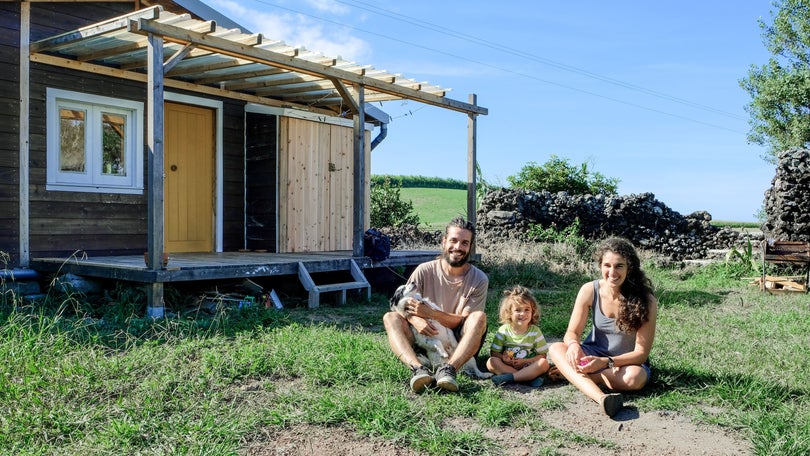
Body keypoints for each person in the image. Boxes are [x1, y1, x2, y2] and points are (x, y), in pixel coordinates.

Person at [547, 237, 658, 418]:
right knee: (556, 348)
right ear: (600, 266)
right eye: (607, 265)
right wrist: (574, 345)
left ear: (630, 267)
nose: (612, 272)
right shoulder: (589, 290)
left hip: (625, 363)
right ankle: (602, 398)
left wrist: (606, 363)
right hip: (592, 353)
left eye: (619, 266)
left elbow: (641, 354)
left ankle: (572, 375)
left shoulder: (647, 301)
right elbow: (572, 333)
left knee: (634, 378)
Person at [383, 217, 489, 393]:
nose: (458, 247)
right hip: (423, 337)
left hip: (458, 341)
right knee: (390, 317)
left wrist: (431, 313)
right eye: (453, 240)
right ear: (444, 241)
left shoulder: (479, 279)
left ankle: (449, 370)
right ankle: (417, 369)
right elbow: (401, 305)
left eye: (464, 243)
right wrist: (414, 319)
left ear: (470, 247)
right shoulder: (424, 270)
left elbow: (462, 322)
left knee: (479, 317)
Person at [487, 285, 550, 387]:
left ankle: (511, 377)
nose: (522, 313)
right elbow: (494, 353)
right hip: (507, 365)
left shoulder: (535, 332)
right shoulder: (503, 331)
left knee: (544, 363)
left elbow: (542, 355)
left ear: (532, 312)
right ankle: (528, 379)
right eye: (518, 310)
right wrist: (504, 358)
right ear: (509, 313)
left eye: (527, 310)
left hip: (528, 366)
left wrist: (525, 361)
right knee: (491, 362)